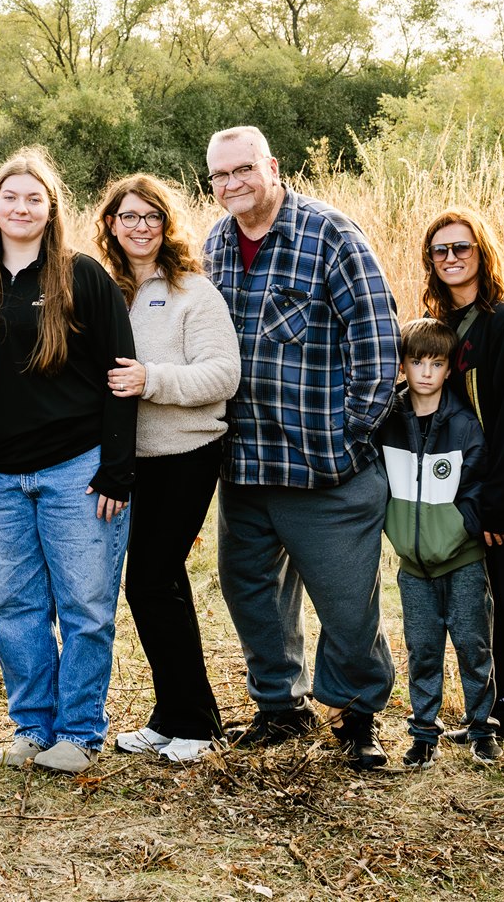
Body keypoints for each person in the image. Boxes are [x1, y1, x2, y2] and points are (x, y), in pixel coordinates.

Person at [202, 125, 397, 770]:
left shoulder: (329, 236)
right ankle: (279, 706)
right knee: (250, 589)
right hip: (247, 463)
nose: (232, 184)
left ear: (272, 167)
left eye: (243, 170)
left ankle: (356, 713)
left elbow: (377, 344)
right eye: (220, 175)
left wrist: (349, 437)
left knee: (346, 602)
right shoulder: (217, 245)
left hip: (324, 467)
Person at [0, 148, 136, 776]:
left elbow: (121, 376)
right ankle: (32, 726)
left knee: (85, 603)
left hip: (76, 468)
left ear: (52, 208)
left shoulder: (82, 276)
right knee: (11, 605)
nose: (21, 207)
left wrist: (117, 469)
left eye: (35, 198)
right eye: (11, 197)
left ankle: (82, 731)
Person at [94, 172, 240, 765]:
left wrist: (150, 380)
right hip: (134, 461)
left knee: (151, 580)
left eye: (150, 217)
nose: (139, 227)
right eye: (127, 217)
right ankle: (178, 714)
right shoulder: (103, 290)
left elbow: (223, 375)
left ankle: (196, 725)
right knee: (160, 583)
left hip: (185, 453)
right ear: (110, 225)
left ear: (166, 225)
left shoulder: (192, 292)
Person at [420, 209, 504, 749]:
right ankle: (501, 711)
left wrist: (499, 507)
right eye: (441, 251)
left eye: (463, 248)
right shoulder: (440, 327)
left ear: (482, 252)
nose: (452, 258)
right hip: (472, 497)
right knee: (490, 603)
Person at [379, 317, 495, 769]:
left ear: (450, 369)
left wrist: (458, 527)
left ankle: (482, 728)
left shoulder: (465, 425)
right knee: (422, 648)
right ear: (403, 366)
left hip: (462, 561)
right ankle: (424, 733)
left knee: (472, 644)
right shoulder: (389, 420)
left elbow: (477, 487)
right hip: (413, 566)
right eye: (416, 361)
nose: (426, 372)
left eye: (437, 363)